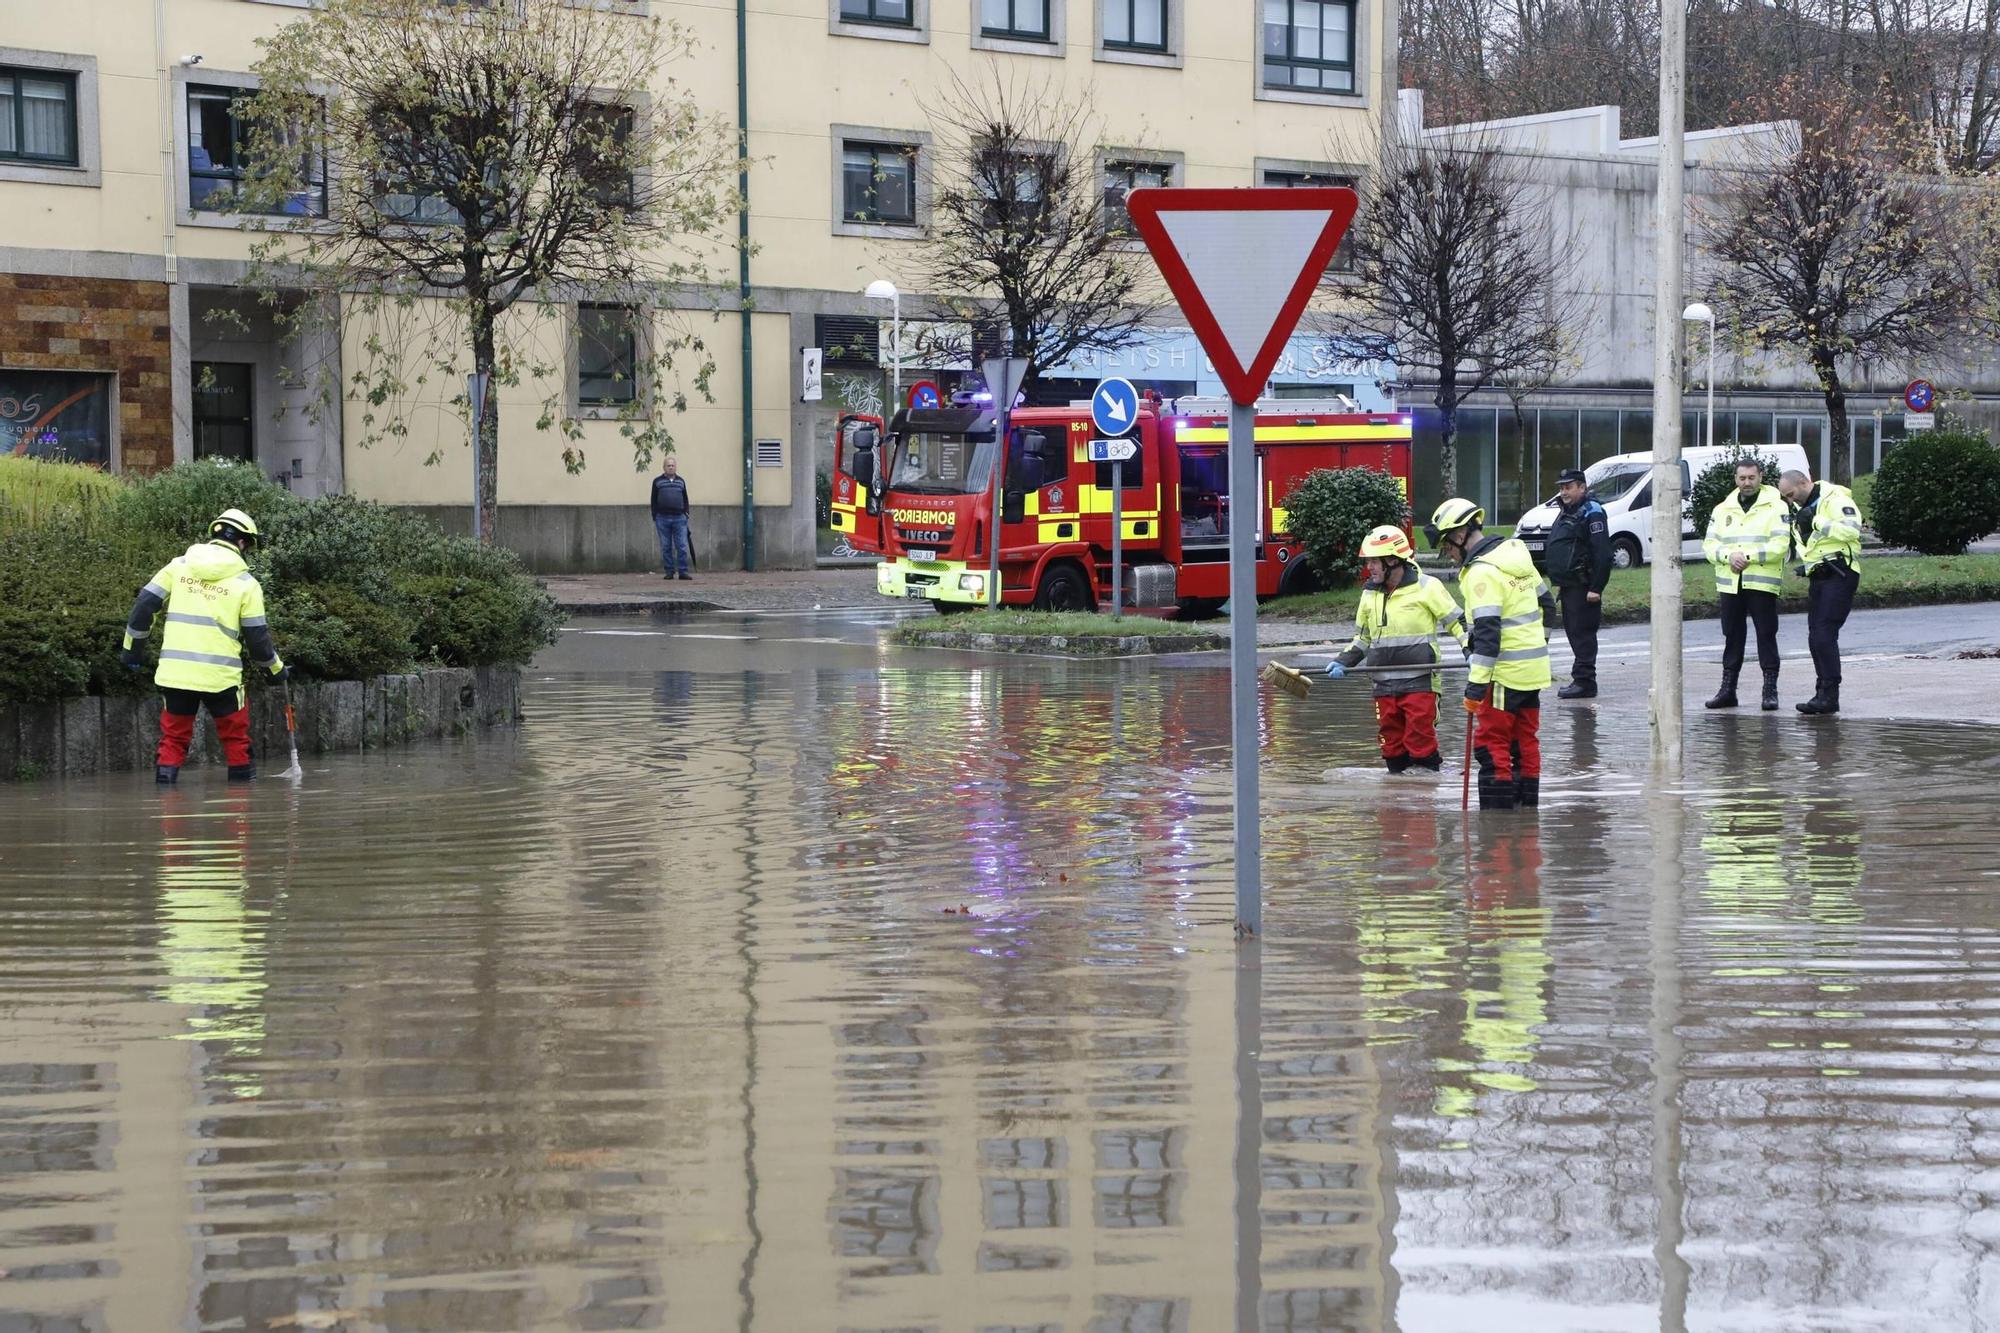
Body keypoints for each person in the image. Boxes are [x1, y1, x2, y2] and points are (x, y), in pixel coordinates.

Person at [120, 508, 289, 784]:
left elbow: (144, 606)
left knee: (173, 740)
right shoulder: (247, 584)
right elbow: (258, 641)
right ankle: (241, 814)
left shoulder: (178, 566)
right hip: (221, 679)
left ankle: (167, 813)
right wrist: (276, 671)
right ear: (243, 543)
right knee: (236, 742)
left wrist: (131, 651)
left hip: (176, 675)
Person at [1427, 497, 1555, 810]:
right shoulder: (1516, 554)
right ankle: (1527, 821)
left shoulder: (1481, 572)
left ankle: (1496, 831)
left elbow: (1488, 637)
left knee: (1491, 746)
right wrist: (1536, 646)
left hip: (1501, 676)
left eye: (1447, 545)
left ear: (1460, 536)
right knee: (1525, 743)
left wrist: (1474, 687)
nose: (1448, 553)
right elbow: (1548, 606)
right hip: (1533, 672)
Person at [1324, 525, 1469, 773]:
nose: (1368, 567)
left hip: (1420, 680)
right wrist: (1343, 661)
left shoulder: (1427, 587)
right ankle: (1395, 806)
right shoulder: (1369, 594)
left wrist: (1471, 651)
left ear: (1392, 560)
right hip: (1383, 684)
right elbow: (1362, 639)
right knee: (1391, 747)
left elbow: (1458, 622)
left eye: (1373, 561)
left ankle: (1426, 802)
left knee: (1420, 741)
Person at [1702, 458, 1791, 711]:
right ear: (1735, 478)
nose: (1747, 483)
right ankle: (1728, 690)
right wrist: (1728, 556)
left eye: (1751, 477)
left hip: (1761, 582)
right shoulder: (1723, 509)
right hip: (1730, 583)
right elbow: (1710, 545)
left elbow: (1780, 545)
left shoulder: (1776, 507)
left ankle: (1770, 690)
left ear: (1760, 476)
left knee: (1766, 634)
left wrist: (1746, 558)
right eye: (1742, 478)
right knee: (1732, 635)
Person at [1777, 468, 1863, 714]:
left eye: (1791, 494)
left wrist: (1816, 520)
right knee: (1815, 636)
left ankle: (1829, 695)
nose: (1790, 500)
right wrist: (1808, 566)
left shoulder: (1835, 499)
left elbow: (1851, 530)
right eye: (1786, 497)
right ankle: (1822, 693)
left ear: (1804, 482)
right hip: (1821, 574)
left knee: (1824, 635)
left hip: (1841, 572)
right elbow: (1812, 544)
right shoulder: (1800, 506)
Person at [1542, 467, 1612, 699]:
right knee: (1574, 632)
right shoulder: (1569, 511)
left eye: (1568, 487)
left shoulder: (1592, 511)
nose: (1564, 491)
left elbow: (1602, 553)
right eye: (1562, 487)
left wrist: (1596, 587)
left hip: (1584, 586)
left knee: (1582, 634)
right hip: (1570, 584)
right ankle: (1581, 679)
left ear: (1582, 487)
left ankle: (1585, 682)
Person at [651, 456, 692, 580]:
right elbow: (653, 499)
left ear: (676, 467)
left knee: (682, 546)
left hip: (679, 518)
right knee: (666, 546)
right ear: (664, 467)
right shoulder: (657, 481)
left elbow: (685, 498)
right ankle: (669, 571)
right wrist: (655, 515)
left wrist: (686, 513)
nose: (671, 467)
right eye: (668, 465)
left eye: (673, 465)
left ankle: (683, 572)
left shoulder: (681, 481)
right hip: (662, 518)